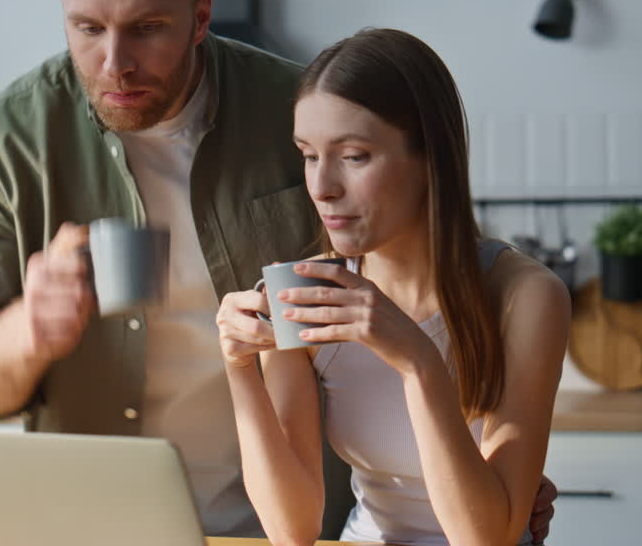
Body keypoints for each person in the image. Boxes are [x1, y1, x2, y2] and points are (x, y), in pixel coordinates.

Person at [0, 0, 559, 540]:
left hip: (291, 524)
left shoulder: (298, 105)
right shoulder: (12, 140)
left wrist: (493, 480)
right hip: (92, 523)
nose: (114, 64)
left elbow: (437, 276)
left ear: (200, 15)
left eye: (147, 29)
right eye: (86, 28)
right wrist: (27, 332)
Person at [216, 28, 572, 546]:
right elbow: (291, 530)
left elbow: (487, 538)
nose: (322, 187)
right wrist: (239, 368)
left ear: (432, 158)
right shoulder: (307, 292)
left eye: (354, 156)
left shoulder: (526, 297)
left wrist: (418, 361)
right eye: (310, 155)